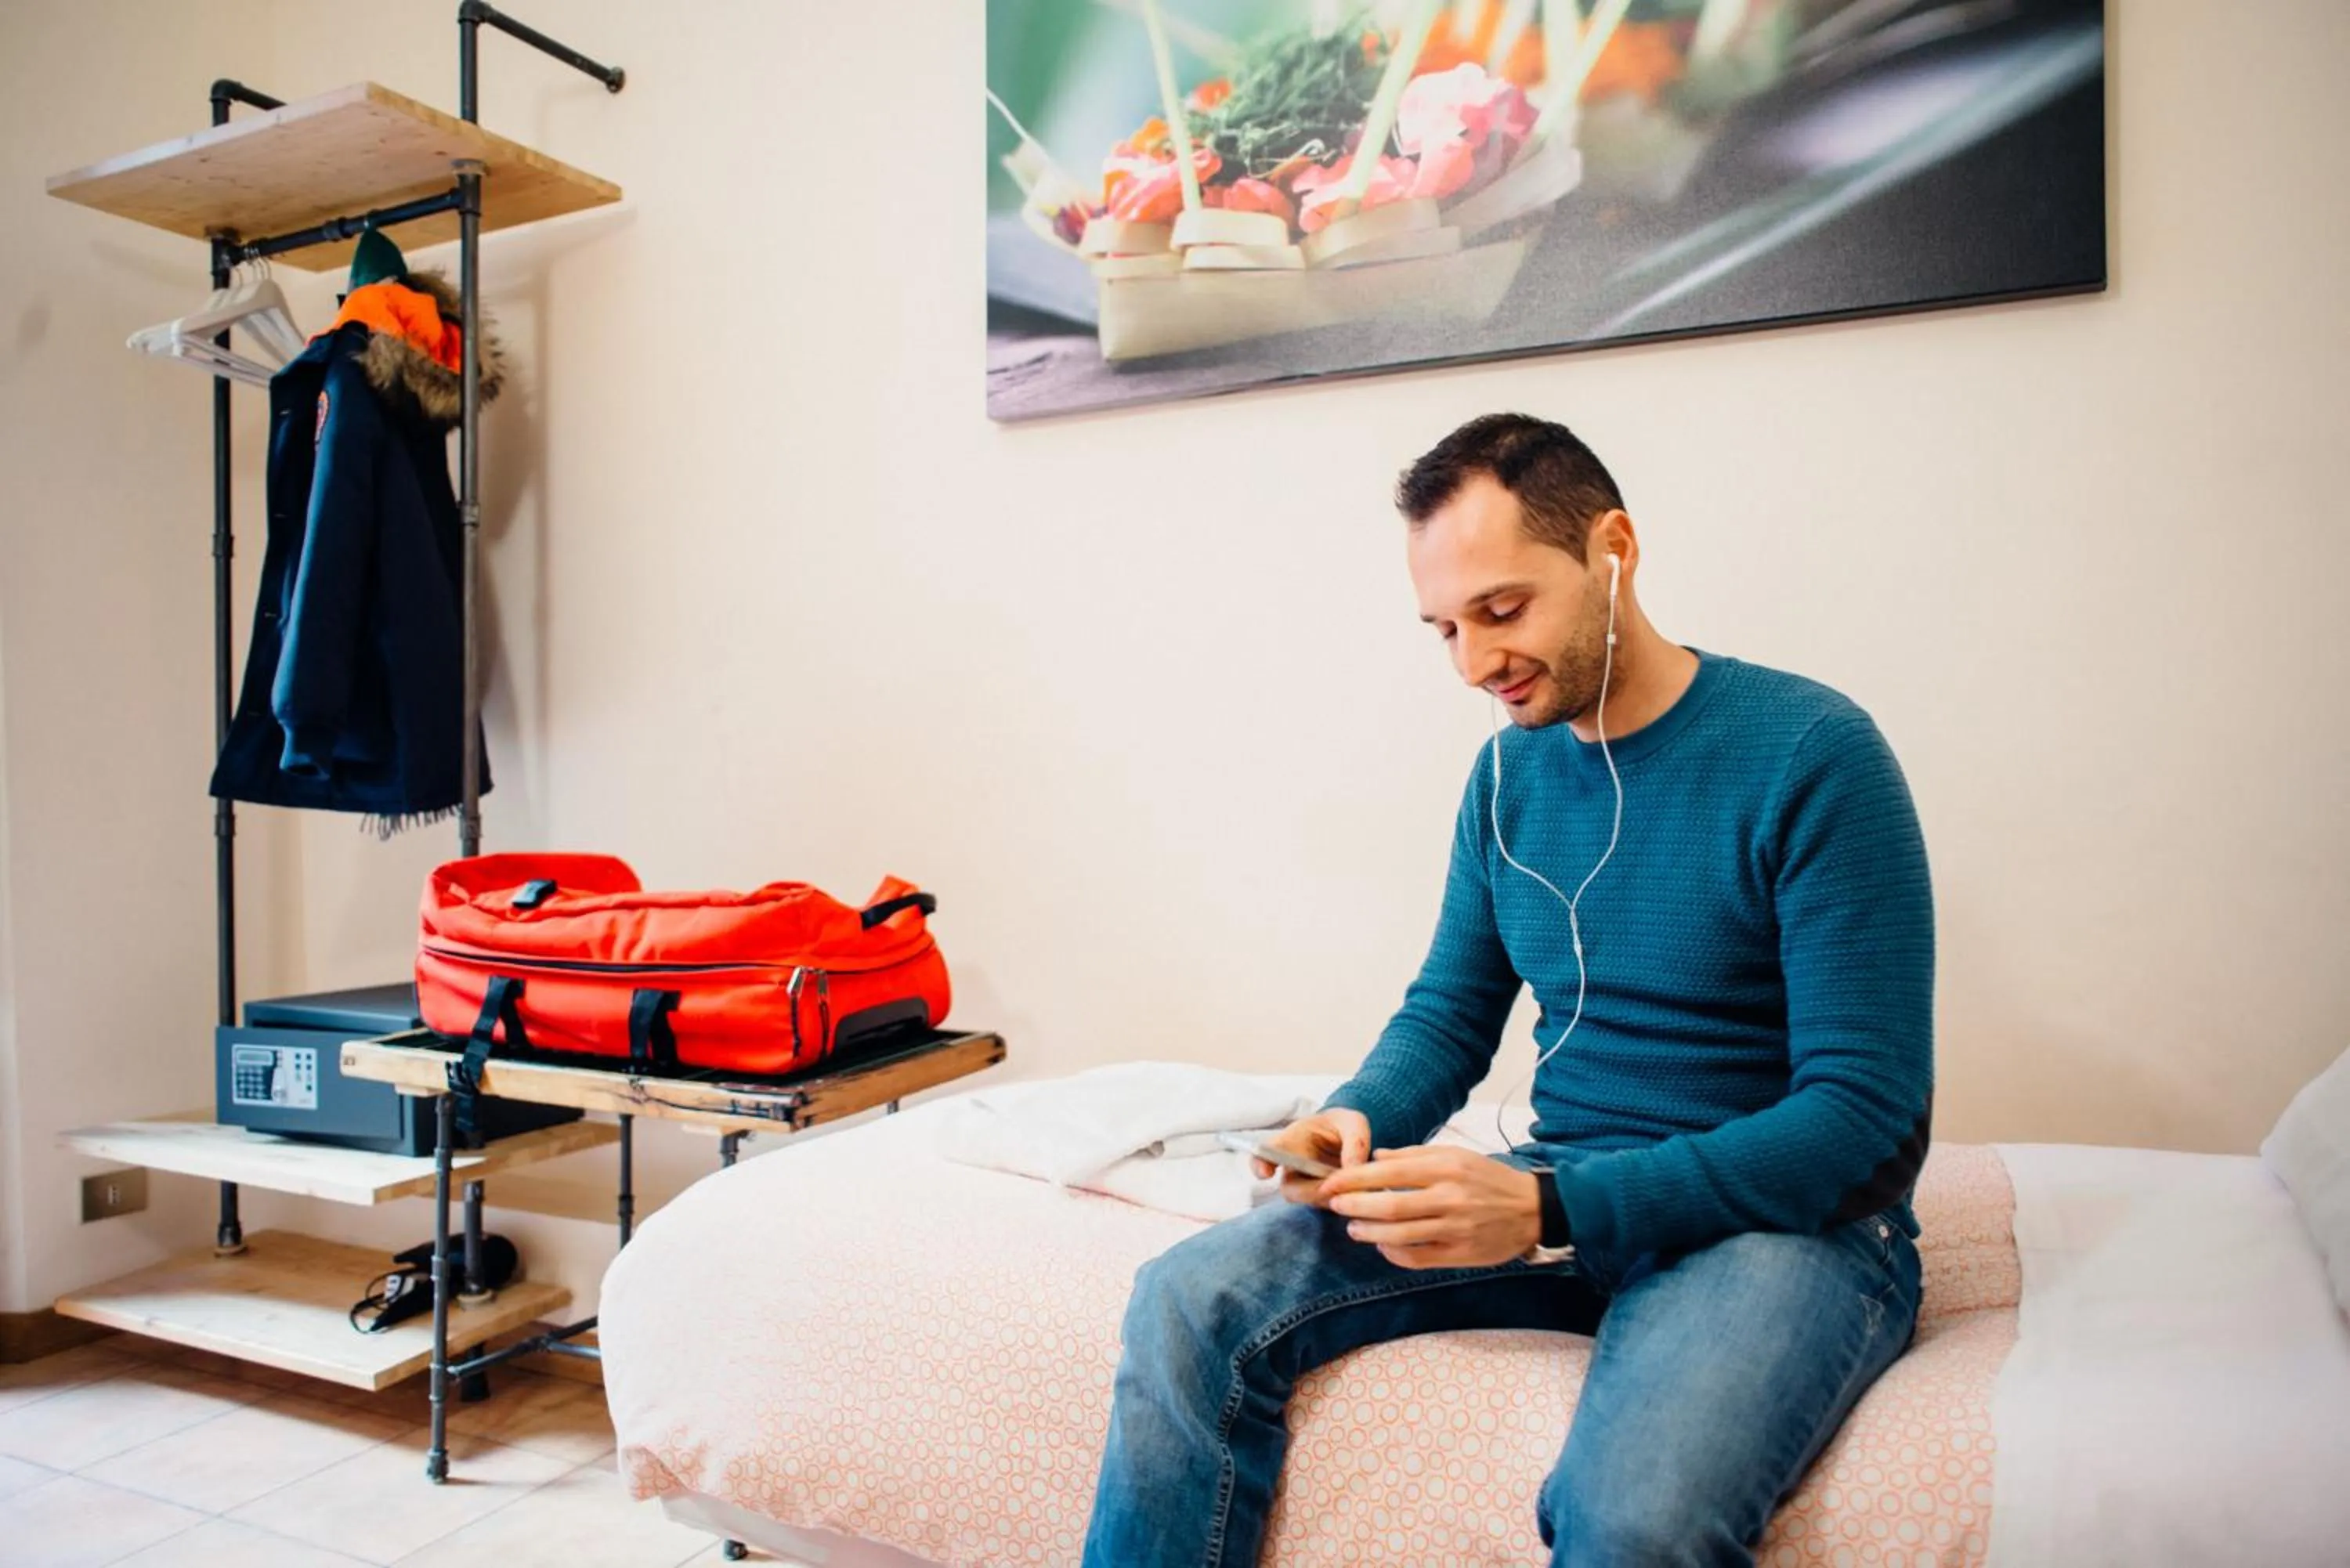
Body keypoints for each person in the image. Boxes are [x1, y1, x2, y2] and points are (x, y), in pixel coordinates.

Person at [1081, 414, 1935, 1567]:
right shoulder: (1506, 776)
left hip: (1782, 1226)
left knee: (1640, 1517)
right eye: (1444, 629)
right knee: (1187, 1298)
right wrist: (1355, 1118)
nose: (1476, 664)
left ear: (1613, 549)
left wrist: (1545, 1212)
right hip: (1563, 1201)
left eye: (1501, 609)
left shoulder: (1812, 753)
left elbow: (1864, 1121)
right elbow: (1449, 1010)